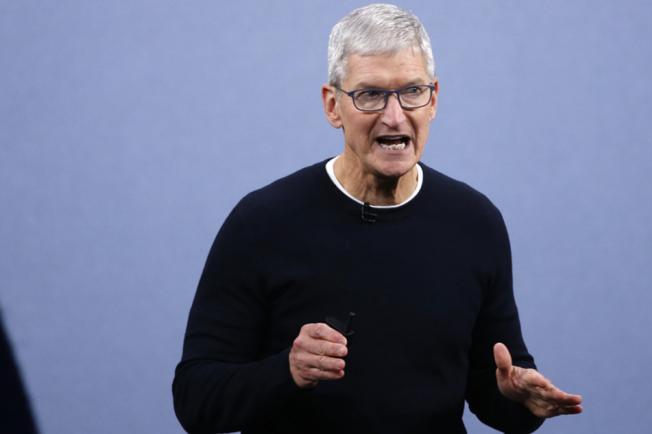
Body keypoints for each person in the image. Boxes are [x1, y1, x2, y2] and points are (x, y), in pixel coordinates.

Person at [172, 4, 582, 433]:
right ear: (333, 106)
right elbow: (196, 397)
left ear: (434, 100)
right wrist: (286, 371)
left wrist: (519, 400)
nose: (394, 115)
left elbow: (492, 388)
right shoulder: (262, 222)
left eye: (411, 91)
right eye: (370, 95)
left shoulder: (475, 222)